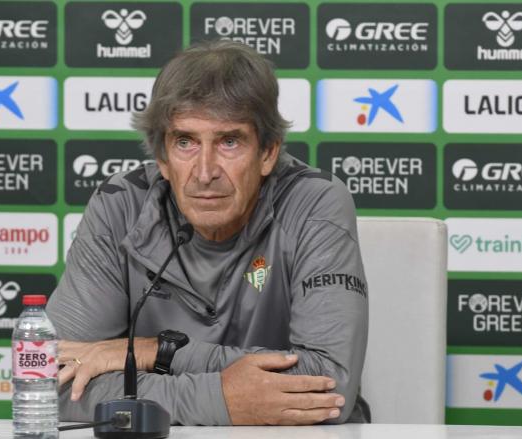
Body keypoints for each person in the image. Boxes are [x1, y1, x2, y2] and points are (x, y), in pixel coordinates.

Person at [46, 40, 370, 426]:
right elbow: (48, 380)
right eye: (185, 142)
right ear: (162, 158)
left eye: (229, 141)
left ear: (268, 153)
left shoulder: (315, 202)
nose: (204, 172)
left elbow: (329, 387)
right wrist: (222, 399)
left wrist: (160, 352)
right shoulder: (120, 206)